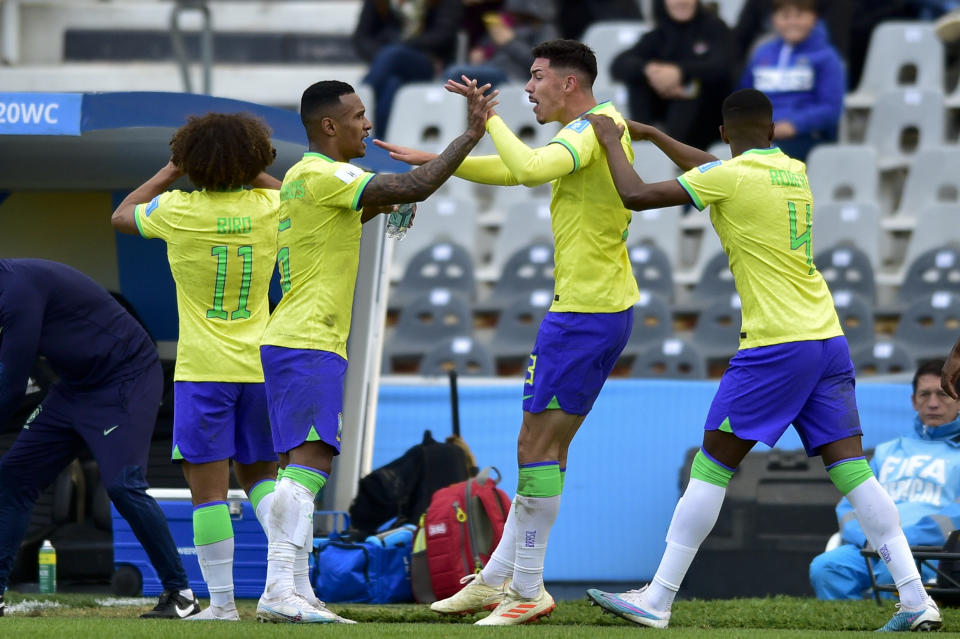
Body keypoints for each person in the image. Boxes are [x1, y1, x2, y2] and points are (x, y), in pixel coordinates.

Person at [581, 88, 942, 632]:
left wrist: (612, 139)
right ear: (771, 132)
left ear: (726, 135)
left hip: (775, 344)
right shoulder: (791, 170)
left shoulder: (731, 176)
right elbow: (718, 171)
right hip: (827, 338)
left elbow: (634, 195)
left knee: (712, 465)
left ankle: (657, 598)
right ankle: (916, 599)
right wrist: (655, 136)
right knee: (853, 471)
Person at [376, 39, 639, 625]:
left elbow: (524, 170)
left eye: (538, 76)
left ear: (569, 82)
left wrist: (488, 119)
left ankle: (526, 588)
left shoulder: (587, 129)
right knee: (542, 449)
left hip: (587, 315)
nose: (528, 86)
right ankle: (500, 578)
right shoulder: (594, 127)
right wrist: (435, 158)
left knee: (535, 449)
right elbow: (511, 168)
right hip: (589, 311)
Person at [255, 78, 496, 624]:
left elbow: (352, 216)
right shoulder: (323, 173)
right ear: (329, 126)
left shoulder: (304, 179)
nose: (368, 124)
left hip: (296, 338)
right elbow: (417, 183)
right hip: (307, 338)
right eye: (359, 116)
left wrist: (387, 204)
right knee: (308, 467)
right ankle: (277, 589)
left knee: (301, 465)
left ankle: (296, 590)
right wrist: (471, 135)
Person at [111, 113, 284, 621]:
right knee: (264, 482)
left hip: (203, 370)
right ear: (255, 157)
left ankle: (224, 607)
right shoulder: (272, 205)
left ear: (191, 160)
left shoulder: (176, 209)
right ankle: (289, 589)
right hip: (261, 367)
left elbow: (123, 214)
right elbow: (304, 198)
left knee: (207, 492)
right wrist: (250, 170)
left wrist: (174, 169)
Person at [0, 259, 200, 619]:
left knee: (123, 485)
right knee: (13, 479)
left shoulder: (16, 291)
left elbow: (12, 384)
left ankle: (180, 593)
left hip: (126, 376)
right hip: (75, 387)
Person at [809, 359, 960, 600]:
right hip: (870, 546)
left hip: (930, 551)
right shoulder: (886, 451)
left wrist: (900, 540)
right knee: (826, 568)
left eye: (942, 395)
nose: (932, 403)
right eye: (924, 395)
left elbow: (957, 514)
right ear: (913, 401)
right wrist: (872, 539)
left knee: (897, 575)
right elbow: (849, 505)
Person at [609, 0, 734, 149]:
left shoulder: (715, 27)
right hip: (666, 109)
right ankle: (641, 147)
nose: (681, 2)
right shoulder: (659, 33)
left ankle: (674, 154)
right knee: (637, 81)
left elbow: (723, 67)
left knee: (691, 89)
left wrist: (680, 74)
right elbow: (619, 64)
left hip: (709, 115)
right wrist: (648, 70)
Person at [737, 0, 845, 161]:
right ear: (774, 20)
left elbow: (831, 109)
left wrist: (793, 126)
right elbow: (743, 97)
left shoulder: (827, 58)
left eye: (799, 16)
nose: (792, 22)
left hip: (806, 136)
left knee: (764, 159)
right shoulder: (762, 54)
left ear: (813, 18)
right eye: (785, 16)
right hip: (761, 135)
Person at [353, 0, 463, 136]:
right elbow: (362, 38)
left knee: (394, 54)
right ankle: (379, 142)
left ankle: (352, 108)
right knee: (392, 84)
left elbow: (442, 36)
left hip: (428, 62)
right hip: (386, 63)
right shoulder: (378, 3)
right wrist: (383, 54)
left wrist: (401, 46)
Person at [445, 0, 559, 89]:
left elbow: (542, 64)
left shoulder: (545, 29)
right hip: (490, 68)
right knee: (456, 72)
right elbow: (485, 45)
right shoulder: (506, 22)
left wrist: (510, 42)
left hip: (514, 76)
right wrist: (480, 52)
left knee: (456, 73)